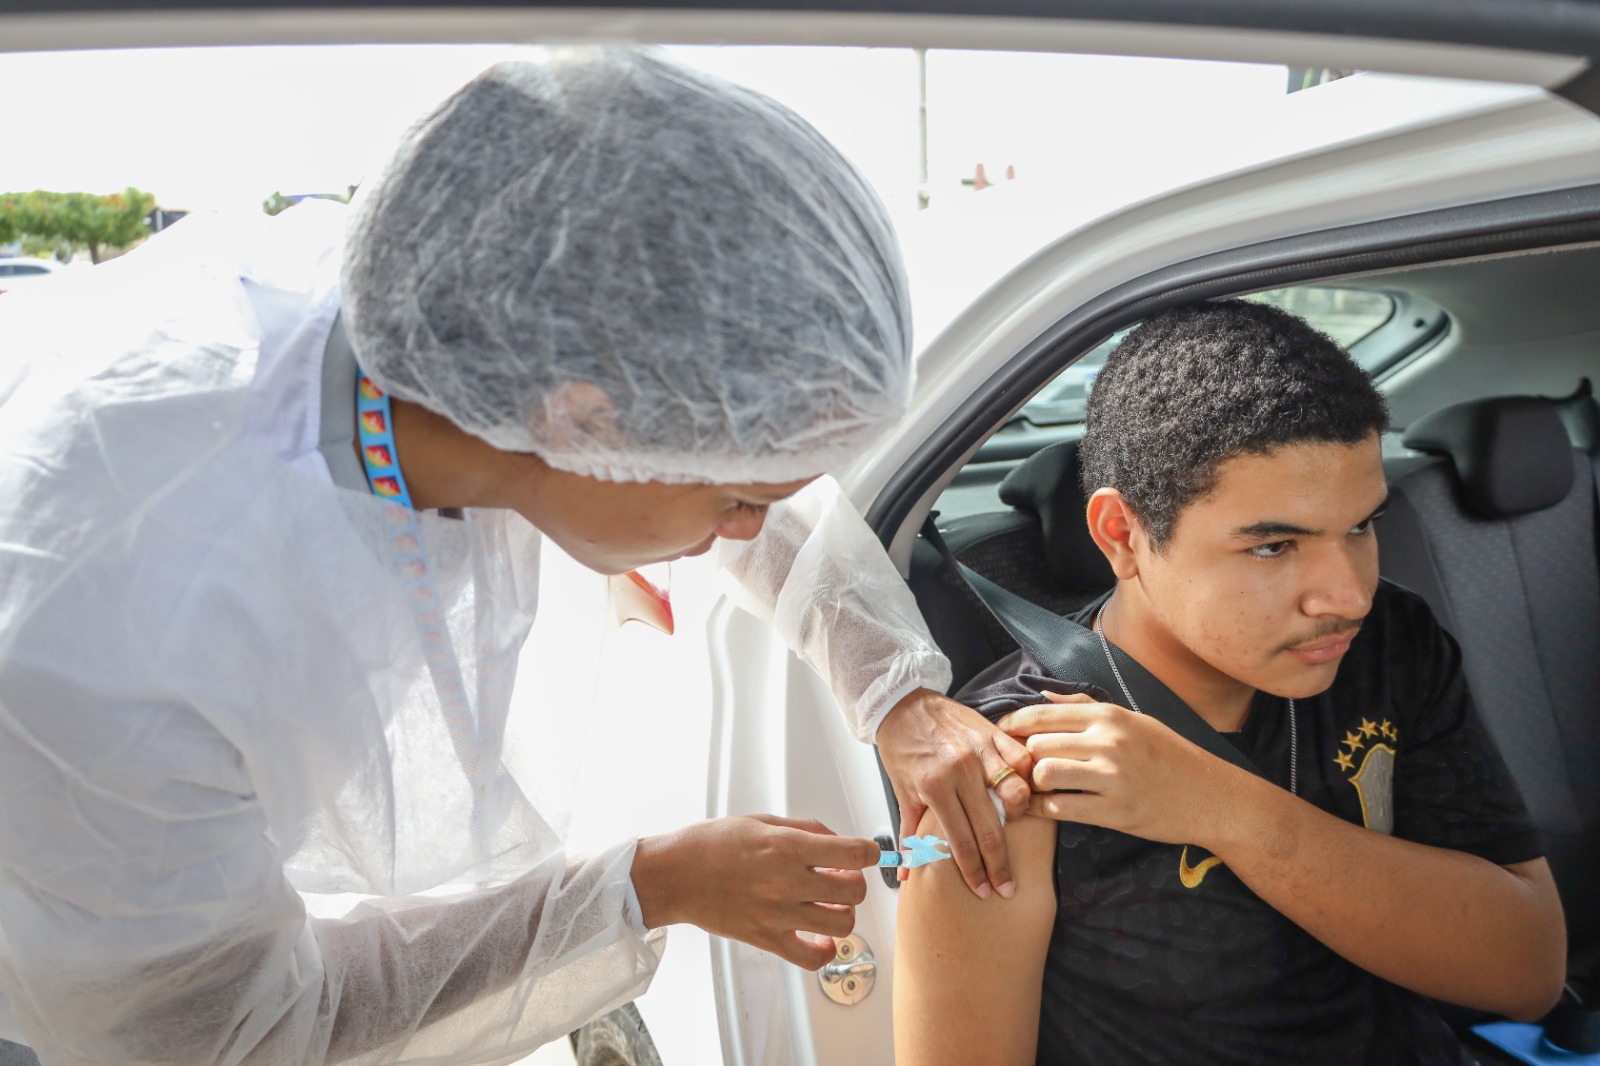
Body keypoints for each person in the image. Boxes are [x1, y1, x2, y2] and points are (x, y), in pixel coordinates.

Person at [0, 49, 1030, 1066]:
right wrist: (647, 887)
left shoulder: (458, 325)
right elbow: (215, 1029)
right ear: (579, 420)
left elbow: (738, 432)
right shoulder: (118, 622)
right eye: (733, 503)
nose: (751, 534)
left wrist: (896, 692)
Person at [893, 300, 1567, 1065]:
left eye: (1361, 526)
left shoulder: (1389, 643)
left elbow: (1528, 973)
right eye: (1275, 546)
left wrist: (1221, 808)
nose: (1346, 595)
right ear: (1123, 534)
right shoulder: (1016, 767)